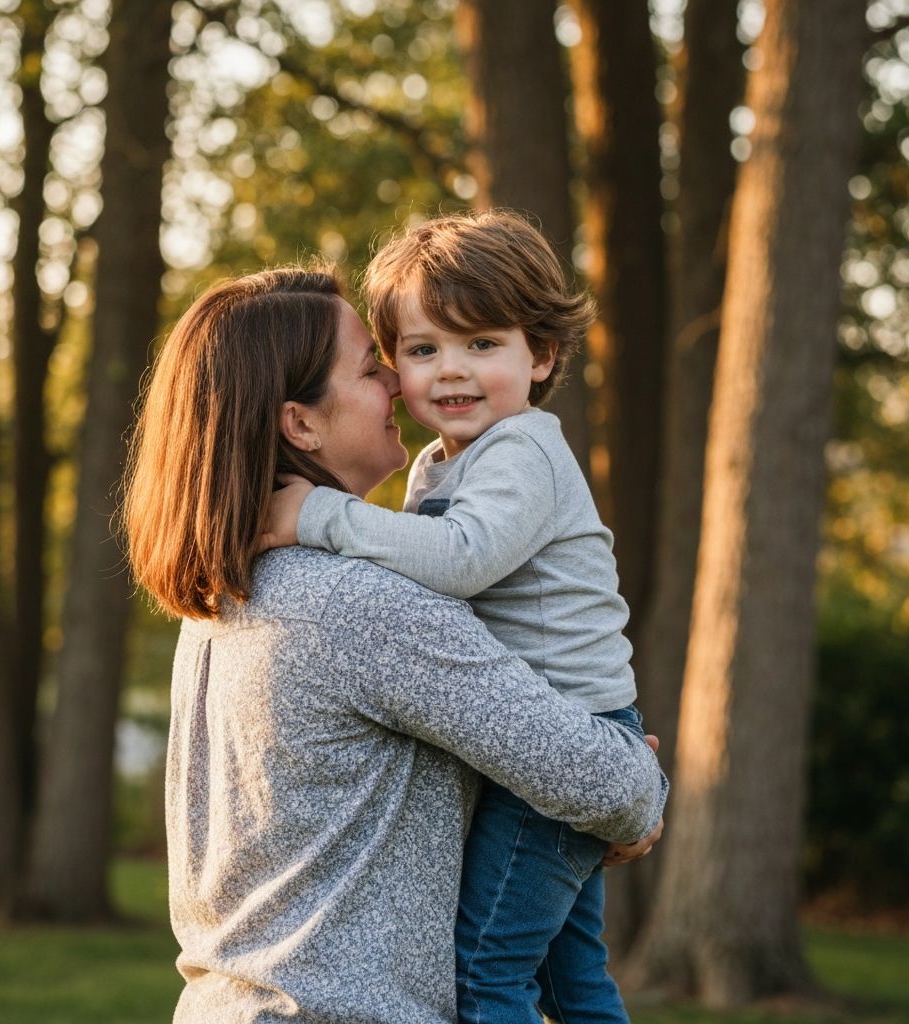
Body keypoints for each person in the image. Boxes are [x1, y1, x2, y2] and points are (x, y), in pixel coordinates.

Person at [124, 266, 667, 1024]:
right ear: (301, 424)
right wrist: (633, 791)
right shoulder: (358, 606)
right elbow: (610, 786)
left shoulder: (233, 598)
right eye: (374, 365)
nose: (398, 382)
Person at [262, 212, 654, 1024]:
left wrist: (320, 517)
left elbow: (459, 562)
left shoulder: (522, 450)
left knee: (484, 976)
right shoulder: (444, 466)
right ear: (394, 362)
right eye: (422, 349)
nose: (452, 371)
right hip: (539, 735)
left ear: (541, 355)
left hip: (560, 742)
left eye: (483, 345)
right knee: (569, 979)